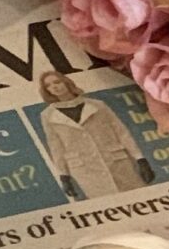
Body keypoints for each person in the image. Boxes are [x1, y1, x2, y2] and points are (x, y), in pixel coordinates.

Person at [37, 71, 154, 200]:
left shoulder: (97, 105)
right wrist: (64, 176)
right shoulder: (47, 115)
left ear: (66, 82)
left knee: (139, 198)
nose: (54, 87)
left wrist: (140, 159)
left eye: (57, 82)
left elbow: (121, 132)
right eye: (48, 85)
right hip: (85, 170)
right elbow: (56, 147)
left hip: (117, 162)